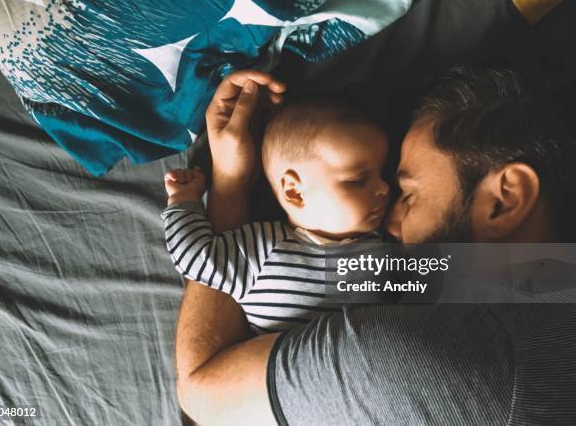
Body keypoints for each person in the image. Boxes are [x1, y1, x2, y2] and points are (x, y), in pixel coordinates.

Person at [174, 66, 576, 425]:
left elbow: (202, 394)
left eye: (409, 194)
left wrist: (231, 184)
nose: (389, 221)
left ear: (504, 200)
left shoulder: (413, 359)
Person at [163, 81, 390, 333]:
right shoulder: (264, 250)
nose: (385, 188)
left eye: (383, 173)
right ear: (294, 191)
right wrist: (183, 200)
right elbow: (196, 258)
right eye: (357, 180)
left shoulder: (386, 245)